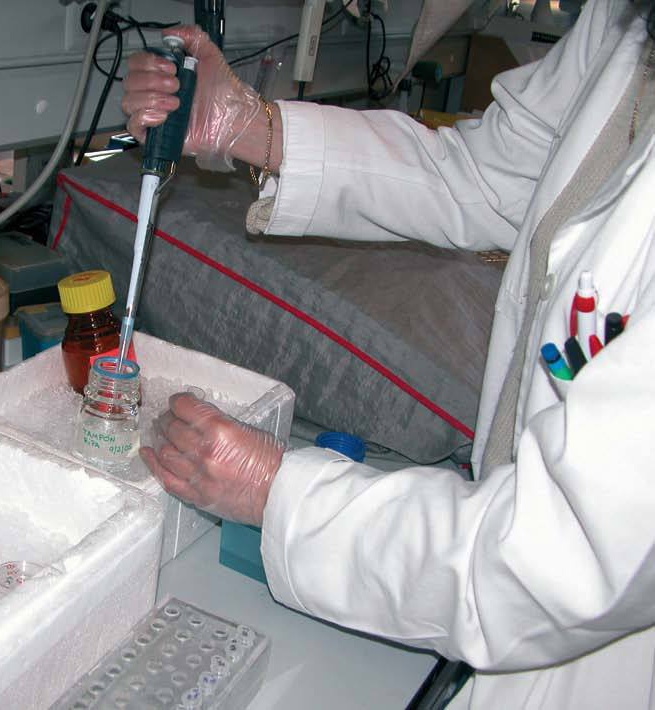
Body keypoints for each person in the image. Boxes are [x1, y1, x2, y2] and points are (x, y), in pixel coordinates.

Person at [123, 1, 655, 707]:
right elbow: (488, 175)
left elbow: (563, 560)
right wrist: (249, 125)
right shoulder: (622, 17)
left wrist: (275, 492)